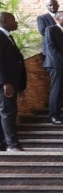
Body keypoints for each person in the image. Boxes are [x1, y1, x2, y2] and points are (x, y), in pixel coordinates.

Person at [0, 12, 26, 150]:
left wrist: (21, 86)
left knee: (7, 112)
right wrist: (5, 82)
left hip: (12, 82)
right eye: (13, 20)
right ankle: (12, 145)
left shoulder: (8, 37)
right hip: (5, 83)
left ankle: (2, 144)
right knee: (8, 112)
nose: (16, 22)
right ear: (4, 20)